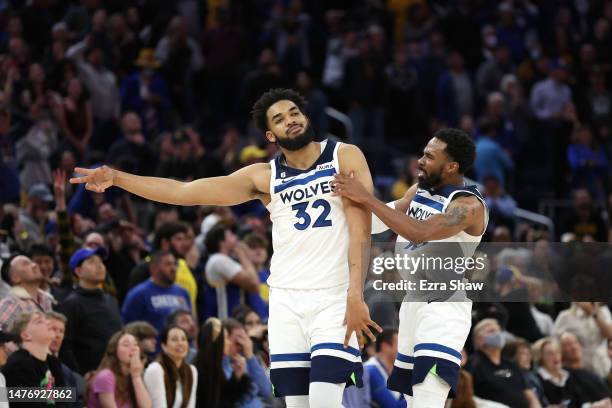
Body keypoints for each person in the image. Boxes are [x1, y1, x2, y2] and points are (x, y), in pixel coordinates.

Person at [70, 88, 380, 407]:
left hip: (334, 296)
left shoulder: (344, 155)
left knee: (325, 401)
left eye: (294, 113)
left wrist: (355, 295)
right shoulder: (263, 176)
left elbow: (361, 229)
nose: (290, 120)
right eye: (280, 119)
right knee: (297, 405)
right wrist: (118, 178)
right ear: (270, 135)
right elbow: (185, 191)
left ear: (306, 117)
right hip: (287, 300)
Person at [332, 128, 489, 407]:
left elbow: (420, 231)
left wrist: (366, 198)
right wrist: (342, 211)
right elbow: (381, 219)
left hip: (444, 306)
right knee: (409, 400)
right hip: (412, 302)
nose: (420, 160)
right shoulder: (419, 190)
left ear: (452, 166)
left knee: (428, 398)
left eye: (429, 156)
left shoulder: (468, 205)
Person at [58, 247, 123, 375]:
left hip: (116, 373)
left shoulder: (110, 299)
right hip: (89, 378)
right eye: (92, 262)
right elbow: (64, 346)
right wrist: (79, 377)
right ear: (78, 271)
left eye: (101, 262)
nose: (99, 266)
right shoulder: (71, 303)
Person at [465, 319, 541, 408]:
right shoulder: (473, 364)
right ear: (479, 339)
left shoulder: (511, 364)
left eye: (499, 330)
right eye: (491, 331)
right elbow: (467, 397)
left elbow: (529, 395)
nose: (498, 334)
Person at [2, 312, 66, 408]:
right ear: (26, 335)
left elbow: (64, 401)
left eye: (46, 320)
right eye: (39, 321)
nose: (48, 323)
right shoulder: (19, 365)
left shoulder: (53, 362)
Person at [122, 250, 192, 337]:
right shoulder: (138, 294)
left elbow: (191, 324)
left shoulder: (183, 292)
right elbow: (128, 328)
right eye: (168, 264)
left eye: (174, 264)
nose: (173, 268)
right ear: (153, 269)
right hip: (154, 348)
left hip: (183, 347)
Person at [532, 337, 611, 408]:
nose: (555, 356)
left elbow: (581, 401)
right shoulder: (536, 380)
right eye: (550, 353)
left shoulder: (569, 375)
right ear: (540, 358)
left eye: (557, 352)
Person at [204, 225, 260, 319]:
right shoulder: (219, 260)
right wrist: (242, 255)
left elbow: (253, 289)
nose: (236, 237)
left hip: (233, 318)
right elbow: (254, 284)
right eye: (230, 235)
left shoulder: (225, 260)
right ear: (222, 242)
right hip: (225, 320)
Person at [87, 330, 152, 408]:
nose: (133, 349)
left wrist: (136, 375)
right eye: (126, 345)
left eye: (135, 344)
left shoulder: (132, 375)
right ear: (114, 349)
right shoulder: (106, 376)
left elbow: (146, 406)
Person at [195, 317, 252, 407]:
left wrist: (237, 378)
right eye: (225, 338)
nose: (229, 343)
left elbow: (226, 398)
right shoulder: (200, 371)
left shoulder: (216, 365)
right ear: (217, 342)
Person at [143, 326, 197, 408]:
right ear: (164, 346)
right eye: (174, 339)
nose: (180, 343)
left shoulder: (192, 370)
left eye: (183, 339)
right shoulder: (155, 370)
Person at [0, 255, 54, 330]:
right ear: (15, 278)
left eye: (32, 262)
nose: (35, 265)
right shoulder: (11, 303)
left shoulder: (46, 299)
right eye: (26, 264)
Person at [364, 329, 406, 408]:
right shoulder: (370, 371)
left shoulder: (393, 370)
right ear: (385, 347)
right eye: (400, 344)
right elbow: (392, 406)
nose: (405, 349)